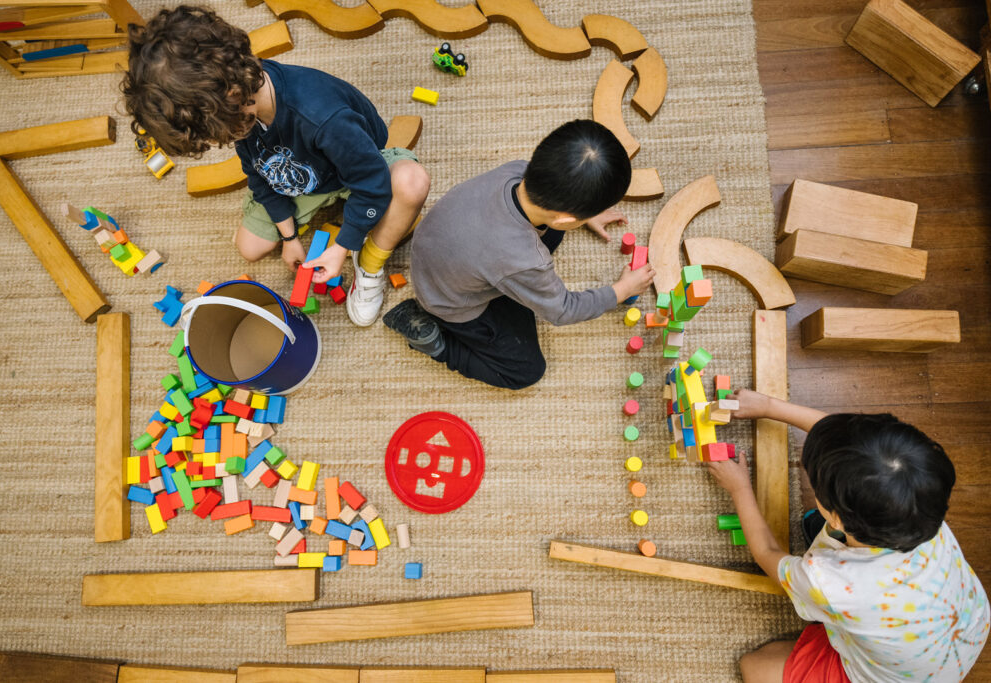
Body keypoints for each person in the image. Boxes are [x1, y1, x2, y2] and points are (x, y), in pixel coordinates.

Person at [121, 5, 429, 326]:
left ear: (234, 94)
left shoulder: (323, 118)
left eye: (218, 136)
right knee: (249, 247)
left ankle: (369, 264)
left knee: (412, 182)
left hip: (355, 171)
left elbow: (371, 184)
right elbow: (258, 175)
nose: (220, 142)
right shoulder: (237, 103)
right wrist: (289, 237)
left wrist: (343, 247)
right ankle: (321, 218)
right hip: (304, 177)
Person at [709, 389, 989, 682]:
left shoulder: (830, 581)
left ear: (839, 519)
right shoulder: (918, 503)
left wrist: (740, 489)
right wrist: (768, 406)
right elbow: (849, 442)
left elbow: (767, 554)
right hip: (963, 632)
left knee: (755, 666)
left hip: (896, 674)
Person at [382, 119, 655, 389]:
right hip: (448, 302)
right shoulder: (526, 262)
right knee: (526, 371)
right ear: (565, 218)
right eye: (585, 215)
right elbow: (563, 310)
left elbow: (535, 231)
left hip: (439, 252)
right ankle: (436, 345)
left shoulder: (516, 170)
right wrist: (619, 291)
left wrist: (582, 216)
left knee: (544, 237)